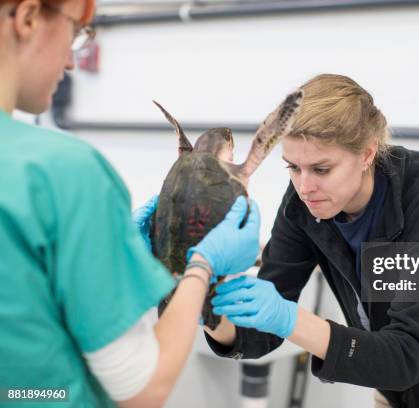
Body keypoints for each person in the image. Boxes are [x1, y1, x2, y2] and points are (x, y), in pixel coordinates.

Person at [205, 74, 419, 408]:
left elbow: (408, 353)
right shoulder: (302, 206)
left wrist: (290, 319)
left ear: (367, 153)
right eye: (293, 168)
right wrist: (213, 314)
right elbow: (261, 334)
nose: (304, 187)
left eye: (321, 169)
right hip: (393, 383)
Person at [0, 1, 260, 407]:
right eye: (75, 33)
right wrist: (202, 265)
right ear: (28, 16)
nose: (71, 61)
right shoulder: (62, 171)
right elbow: (142, 387)